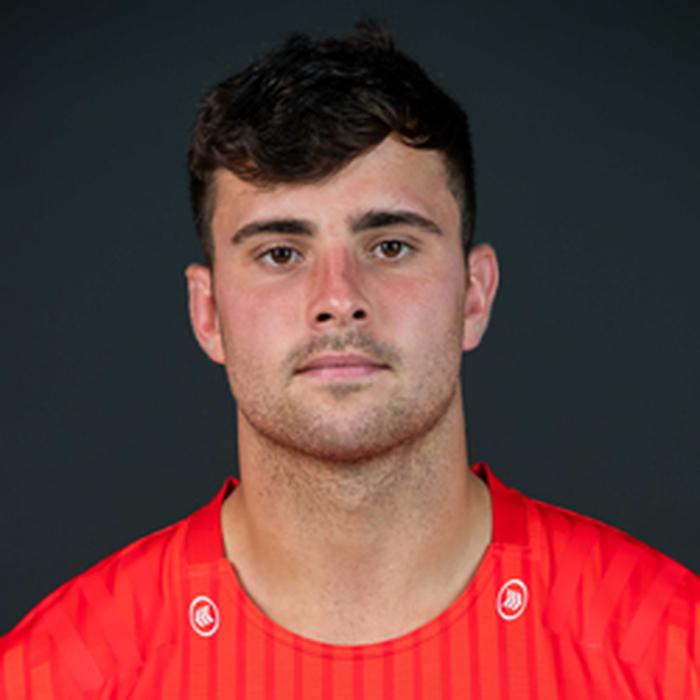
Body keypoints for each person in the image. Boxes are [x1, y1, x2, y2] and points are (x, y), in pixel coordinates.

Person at [1, 21, 697, 699]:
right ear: (208, 313)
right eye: (280, 253)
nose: (338, 299)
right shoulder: (51, 678)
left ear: (474, 295)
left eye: (390, 246)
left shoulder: (674, 651)